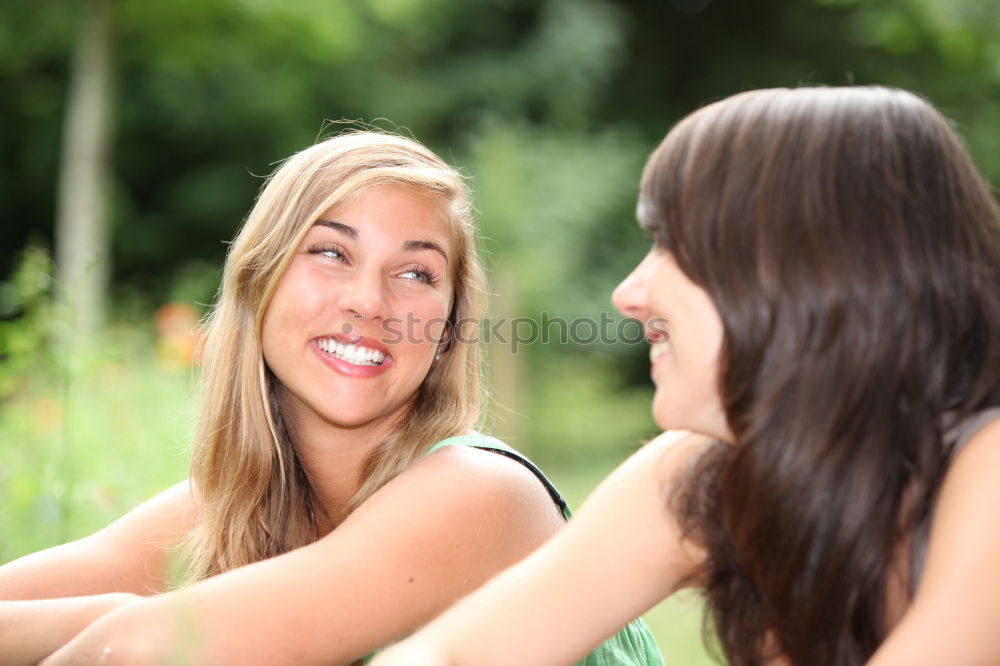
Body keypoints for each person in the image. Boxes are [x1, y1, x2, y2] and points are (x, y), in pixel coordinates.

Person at [370, 86, 1000, 666]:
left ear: (804, 270)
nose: (628, 292)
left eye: (673, 243)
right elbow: (453, 656)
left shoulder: (986, 465)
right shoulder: (704, 472)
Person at [0, 131, 661, 665]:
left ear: (449, 327)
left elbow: (144, 647)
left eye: (415, 272)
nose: (370, 303)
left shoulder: (482, 492)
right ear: (260, 279)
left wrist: (128, 625)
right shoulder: (236, 506)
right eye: (331, 253)